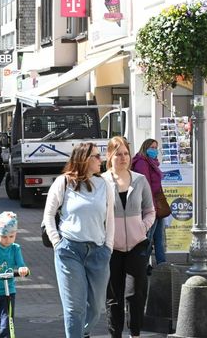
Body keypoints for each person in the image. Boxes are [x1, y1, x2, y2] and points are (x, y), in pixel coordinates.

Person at [42, 142, 115, 338]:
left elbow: (110, 219)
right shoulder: (64, 182)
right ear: (84, 159)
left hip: (98, 252)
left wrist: (108, 247)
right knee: (75, 308)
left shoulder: (104, 185)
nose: (101, 160)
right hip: (69, 251)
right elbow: (48, 215)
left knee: (97, 308)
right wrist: (57, 243)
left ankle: (81, 333)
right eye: (96, 156)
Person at [101, 137, 154, 338]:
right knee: (113, 296)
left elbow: (150, 210)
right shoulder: (101, 182)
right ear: (109, 156)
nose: (123, 158)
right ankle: (115, 334)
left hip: (137, 244)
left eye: (126, 154)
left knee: (135, 293)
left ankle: (135, 333)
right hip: (111, 246)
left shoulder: (140, 180)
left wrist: (142, 227)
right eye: (118, 154)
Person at [131, 138, 167, 265]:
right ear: (145, 148)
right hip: (149, 206)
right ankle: (143, 265)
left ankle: (162, 264)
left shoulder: (152, 162)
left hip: (156, 204)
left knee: (159, 237)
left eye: (156, 148)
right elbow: (145, 187)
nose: (155, 150)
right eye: (152, 147)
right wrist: (151, 207)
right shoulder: (142, 163)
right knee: (148, 237)